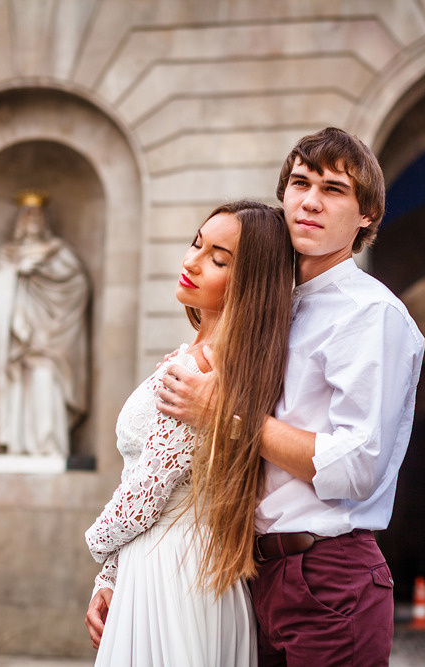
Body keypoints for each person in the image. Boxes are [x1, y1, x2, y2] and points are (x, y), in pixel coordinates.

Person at [158, 127, 425, 665]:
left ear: (367, 214)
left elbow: (356, 466)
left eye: (333, 190)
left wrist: (225, 415)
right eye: (300, 183)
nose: (309, 201)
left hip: (328, 576)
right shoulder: (275, 307)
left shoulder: (369, 314)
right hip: (252, 575)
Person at [84, 200, 294, 665]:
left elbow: (148, 488)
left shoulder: (205, 368)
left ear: (249, 282)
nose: (191, 262)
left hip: (173, 571)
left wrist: (97, 545)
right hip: (167, 564)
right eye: (196, 244)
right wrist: (111, 576)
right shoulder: (203, 356)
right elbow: (142, 475)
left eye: (218, 259)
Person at [0, 190, 90, 458]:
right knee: (15, 384)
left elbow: (78, 285)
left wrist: (42, 271)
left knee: (45, 379)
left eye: (37, 215)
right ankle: (15, 445)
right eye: (26, 216)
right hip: (15, 339)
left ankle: (48, 445)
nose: (32, 220)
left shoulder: (58, 253)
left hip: (49, 337)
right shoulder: (7, 255)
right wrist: (12, 275)